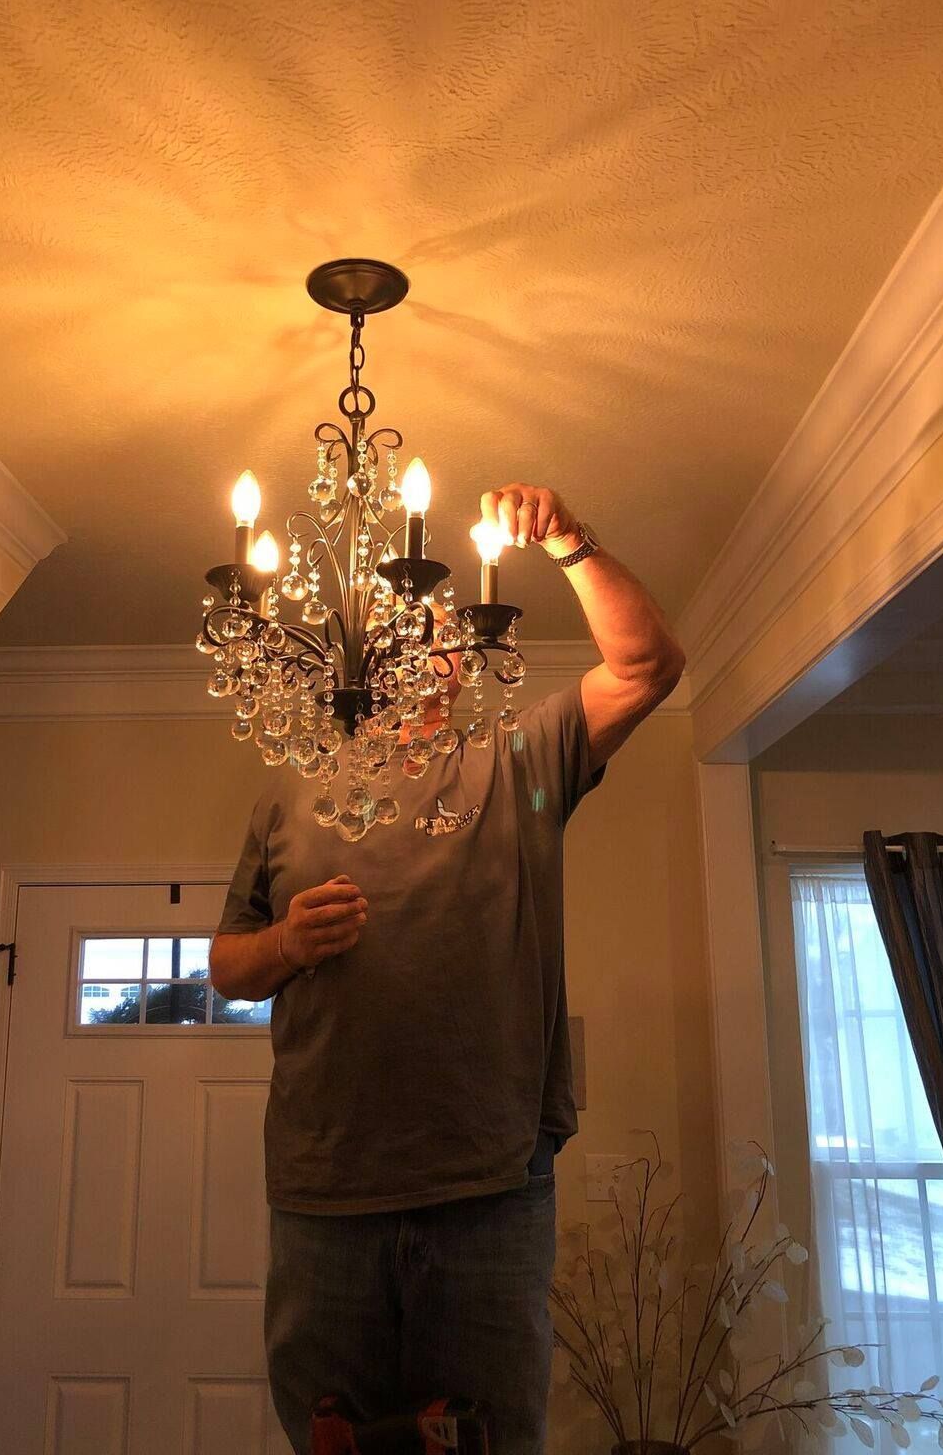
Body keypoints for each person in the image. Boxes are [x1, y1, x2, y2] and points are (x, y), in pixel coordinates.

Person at [210, 482, 685, 1454]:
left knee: (489, 1441)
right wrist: (286, 944)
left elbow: (647, 666)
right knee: (329, 1440)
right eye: (391, 636)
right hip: (322, 1200)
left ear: (462, 657)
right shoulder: (287, 797)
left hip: (489, 1197)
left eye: (430, 635)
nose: (409, 652)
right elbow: (226, 965)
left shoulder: (520, 765)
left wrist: (569, 540)